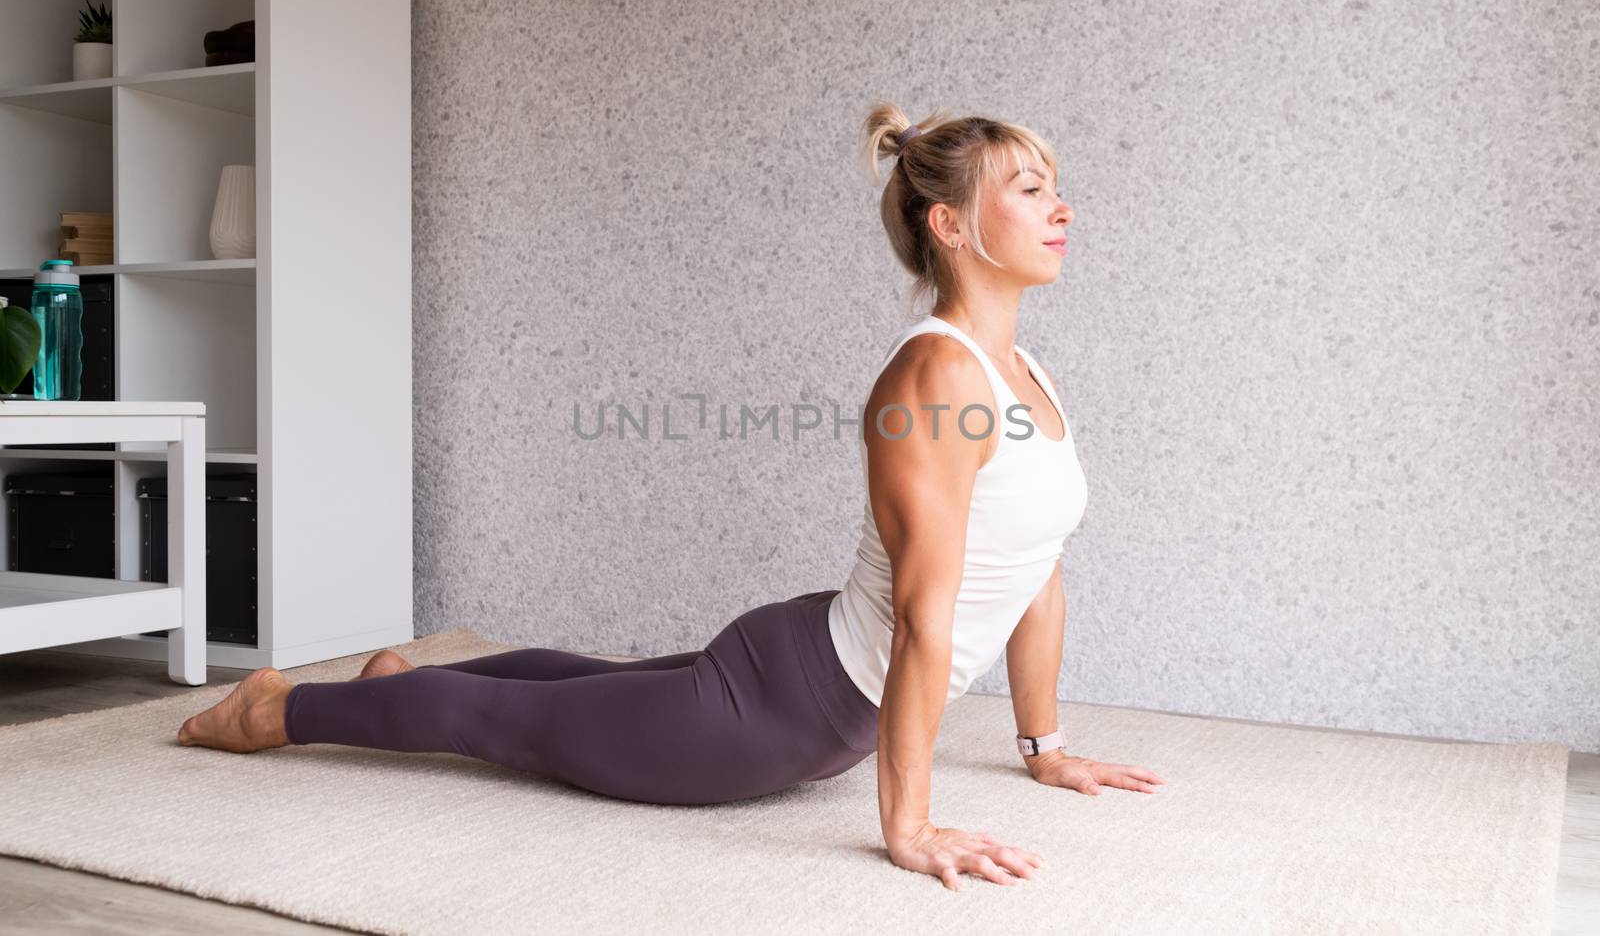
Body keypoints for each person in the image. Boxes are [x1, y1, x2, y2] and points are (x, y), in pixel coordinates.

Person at [176, 103, 1165, 891]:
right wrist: (906, 827)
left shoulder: (1022, 369)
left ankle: (393, 678)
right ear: (949, 226)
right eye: (1031, 189)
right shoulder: (935, 378)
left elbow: (1036, 569)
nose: (1061, 207)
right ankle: (276, 709)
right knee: (513, 730)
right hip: (784, 710)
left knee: (601, 688)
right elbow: (920, 616)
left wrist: (1046, 746)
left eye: (1054, 188)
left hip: (799, 669)